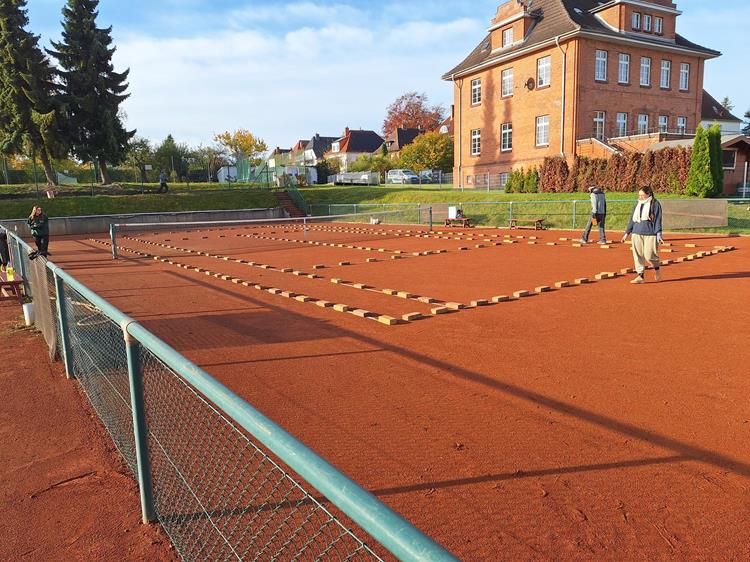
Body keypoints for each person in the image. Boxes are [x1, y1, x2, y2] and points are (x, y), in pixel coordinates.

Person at [622, 186, 664, 284]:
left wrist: (659, 234)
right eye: (639, 195)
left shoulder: (655, 204)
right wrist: (627, 233)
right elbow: (632, 219)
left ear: (648, 194)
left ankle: (657, 269)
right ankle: (640, 276)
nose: (640, 197)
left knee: (649, 256)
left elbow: (658, 219)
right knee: (638, 255)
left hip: (650, 233)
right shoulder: (637, 204)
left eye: (642, 195)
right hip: (636, 232)